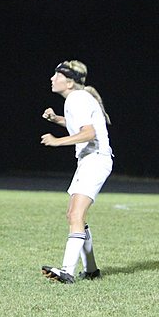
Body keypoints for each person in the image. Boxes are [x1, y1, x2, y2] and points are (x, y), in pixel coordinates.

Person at [40, 60, 113, 284]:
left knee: (75, 216)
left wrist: (57, 141)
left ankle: (67, 271)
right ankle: (91, 270)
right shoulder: (78, 99)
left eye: (57, 75)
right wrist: (57, 120)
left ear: (70, 82)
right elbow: (81, 125)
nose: (52, 79)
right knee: (74, 215)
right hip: (90, 161)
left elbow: (89, 133)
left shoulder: (76, 98)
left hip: (95, 160)